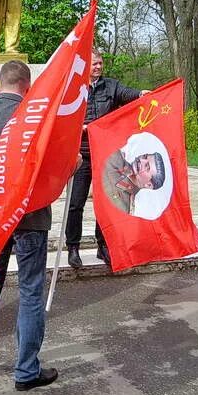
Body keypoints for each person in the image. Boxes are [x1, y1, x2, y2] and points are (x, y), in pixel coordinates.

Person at [0, 60, 58, 391]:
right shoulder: (38, 117)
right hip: (29, 214)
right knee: (31, 291)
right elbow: (49, 165)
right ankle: (26, 371)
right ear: (26, 85)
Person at [66, 48, 144, 268]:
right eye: (95, 64)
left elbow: (128, 94)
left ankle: (103, 245)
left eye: (100, 63)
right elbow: (62, 117)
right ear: (86, 67)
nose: (99, 67)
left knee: (107, 202)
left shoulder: (111, 86)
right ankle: (73, 247)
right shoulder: (73, 89)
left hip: (106, 156)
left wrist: (142, 95)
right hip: (80, 156)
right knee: (75, 204)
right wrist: (78, 127)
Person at [101, 149, 166, 215]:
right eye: (144, 156)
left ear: (148, 185)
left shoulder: (123, 206)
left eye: (147, 167)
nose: (141, 161)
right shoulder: (116, 155)